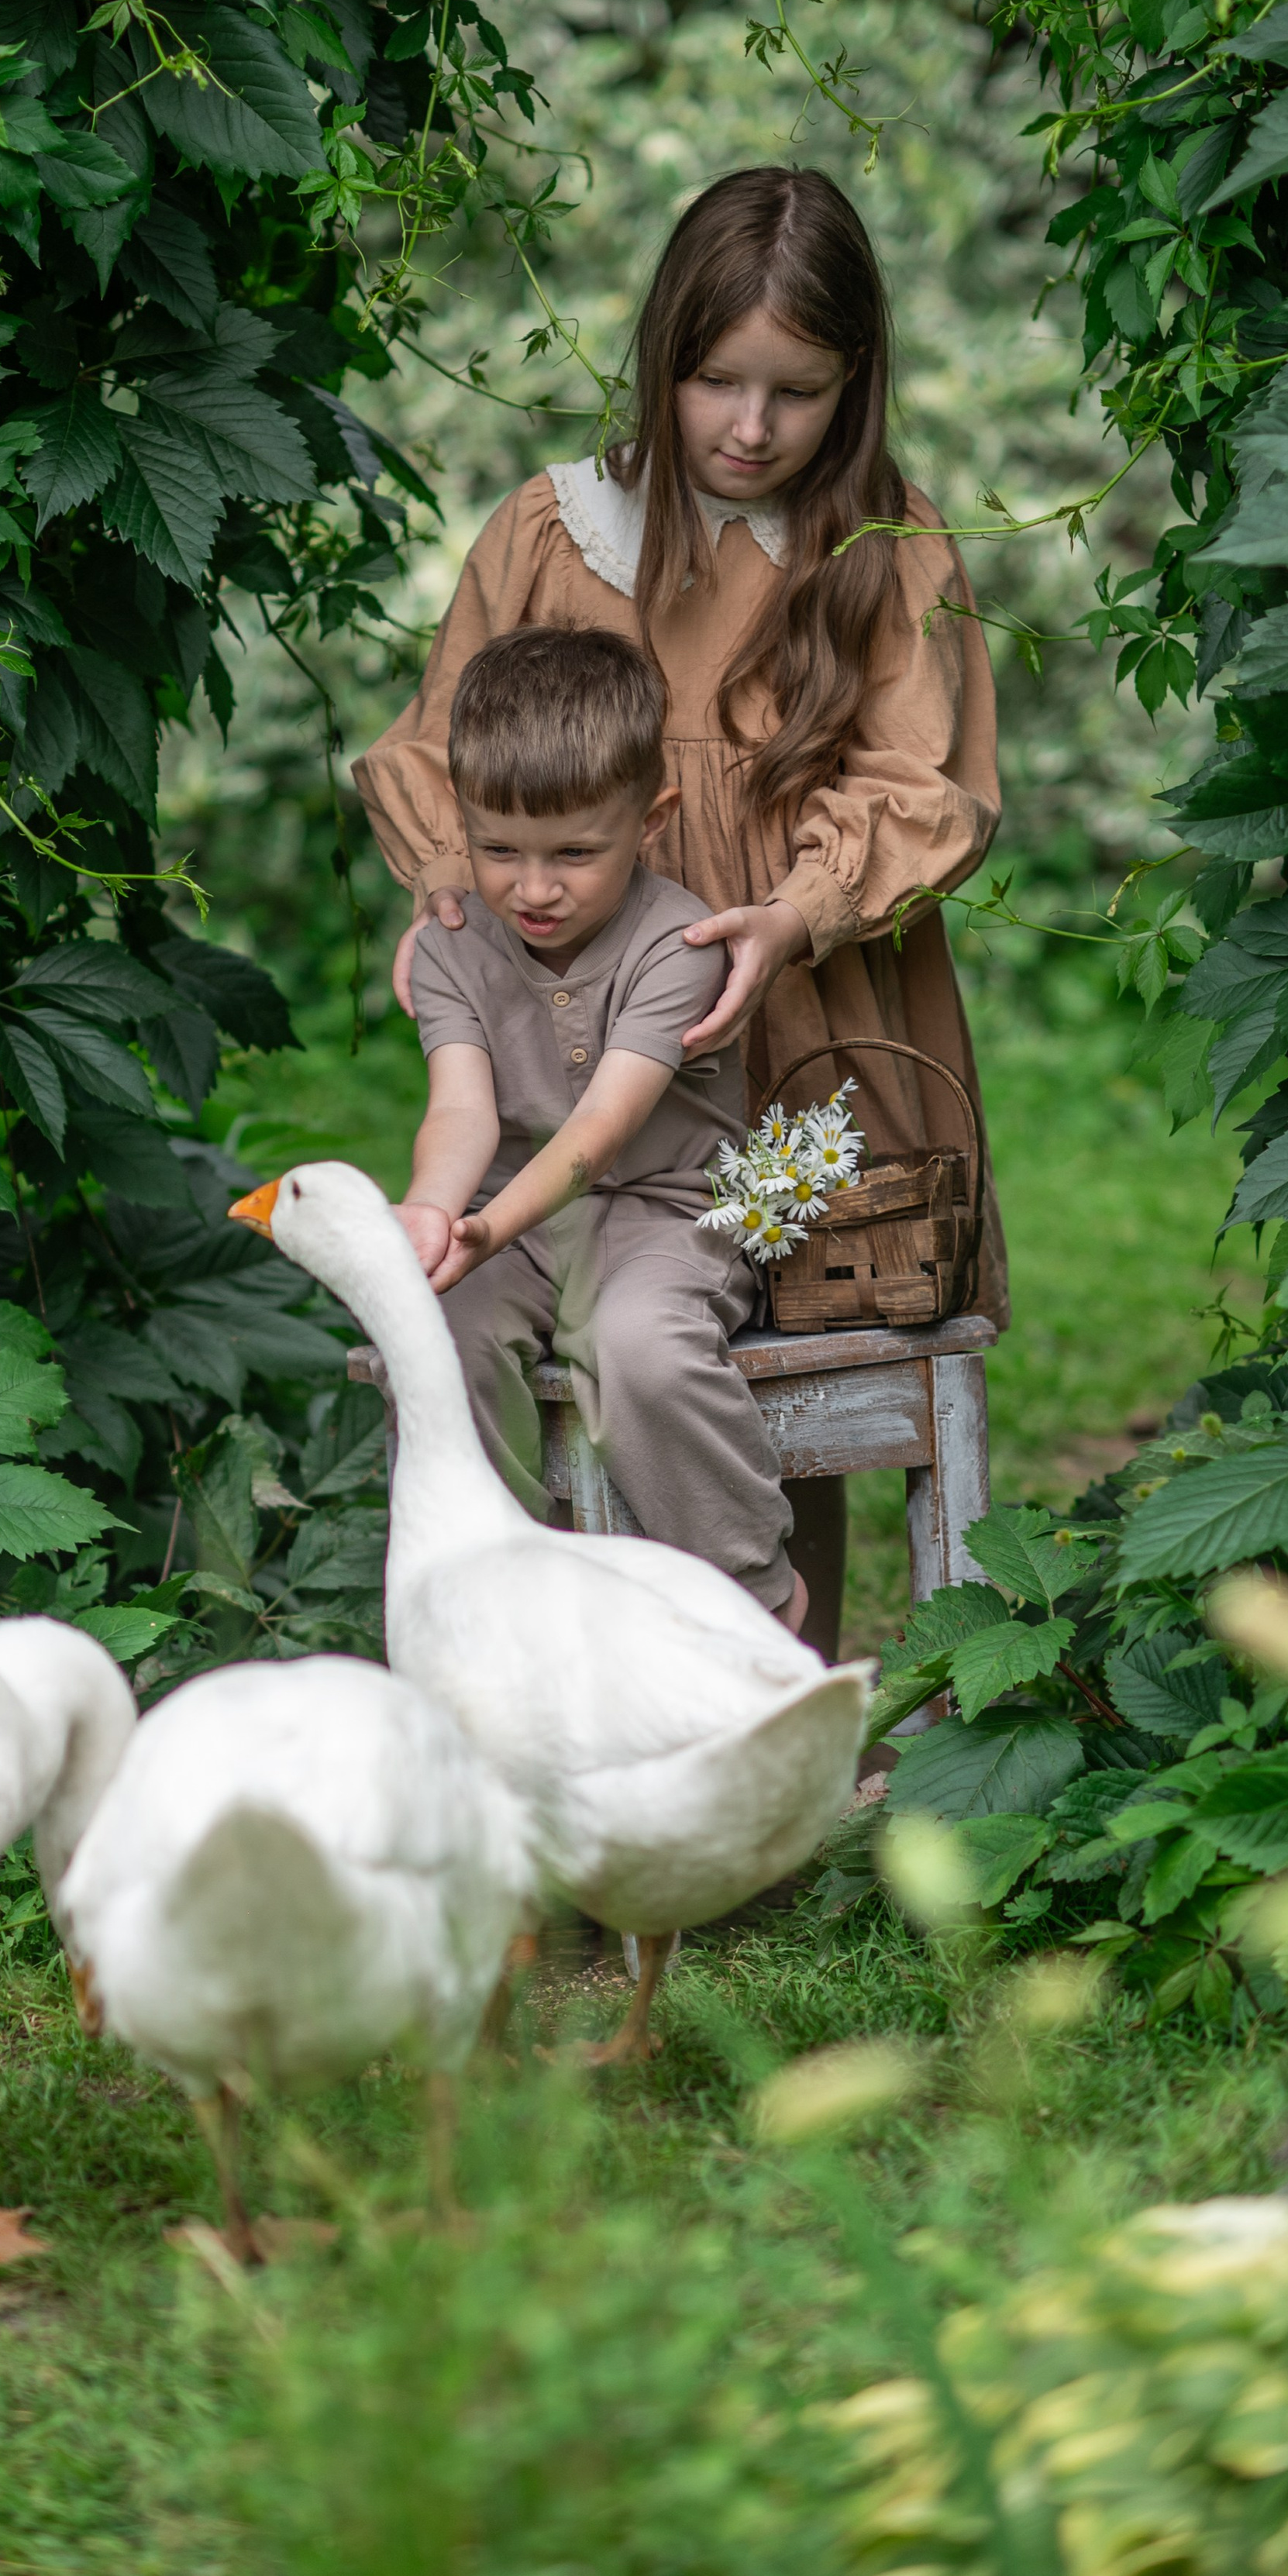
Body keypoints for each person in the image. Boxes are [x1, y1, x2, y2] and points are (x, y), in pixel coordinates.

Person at [355, 166, 1004, 1655]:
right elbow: (446, 741)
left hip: (804, 1005)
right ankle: (557, 1654)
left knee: (776, 1316)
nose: (753, 428)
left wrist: (793, 910)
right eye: (719, 381)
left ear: (856, 383)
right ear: (663, 355)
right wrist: (454, 893)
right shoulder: (554, 532)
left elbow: (928, 781)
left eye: (800, 391)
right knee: (582, 1306)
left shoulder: (883, 551)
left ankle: (782, 1672)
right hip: (576, 1019)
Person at [394, 621, 805, 1627]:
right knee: (440, 1333)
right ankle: (487, 1600)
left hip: (665, 1216)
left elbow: (599, 1133)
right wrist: (435, 1216)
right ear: (463, 822)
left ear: (651, 818)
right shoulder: (453, 946)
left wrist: (490, 1227)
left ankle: (750, 1599)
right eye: (499, 850)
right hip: (516, 1222)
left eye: (574, 853)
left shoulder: (679, 939)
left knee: (640, 1346)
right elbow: (461, 1109)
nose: (533, 889)